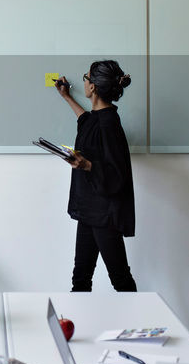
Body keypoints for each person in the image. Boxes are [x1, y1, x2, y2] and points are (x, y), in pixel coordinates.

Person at [54, 59, 137, 292]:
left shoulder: (109, 123)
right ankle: (75, 328)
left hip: (104, 214)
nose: (84, 82)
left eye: (86, 78)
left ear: (93, 87)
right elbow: (87, 122)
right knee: (80, 278)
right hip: (90, 211)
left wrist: (87, 164)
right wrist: (67, 97)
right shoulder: (98, 118)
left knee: (120, 278)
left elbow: (117, 173)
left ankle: (140, 327)